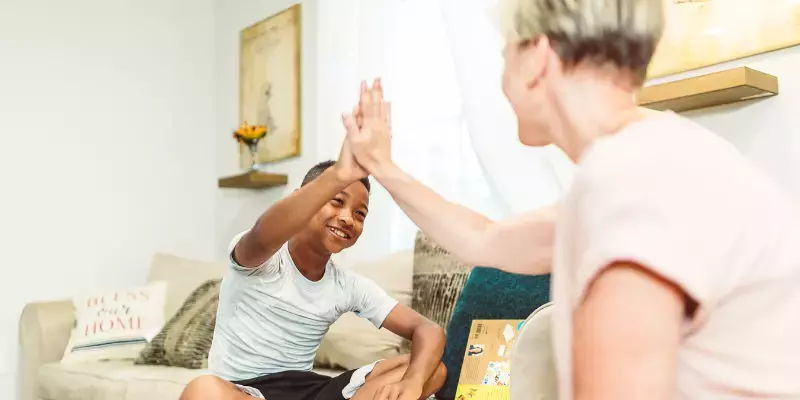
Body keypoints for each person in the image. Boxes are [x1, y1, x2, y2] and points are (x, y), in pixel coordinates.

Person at [341, 0, 800, 398]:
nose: (501, 79)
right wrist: (382, 166)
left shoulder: (636, 182)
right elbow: (486, 239)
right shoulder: (647, 158)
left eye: (505, 54)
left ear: (537, 56)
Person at [180, 147, 447, 400]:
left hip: (309, 391)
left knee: (434, 370)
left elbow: (428, 329)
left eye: (359, 213)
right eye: (337, 201)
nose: (347, 218)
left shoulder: (348, 285)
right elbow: (263, 235)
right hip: (240, 390)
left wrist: (413, 381)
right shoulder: (261, 258)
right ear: (303, 199)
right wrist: (337, 174)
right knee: (202, 390)